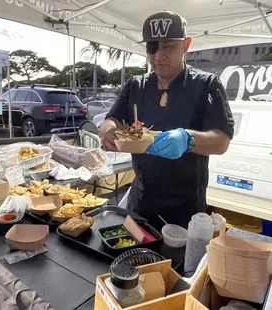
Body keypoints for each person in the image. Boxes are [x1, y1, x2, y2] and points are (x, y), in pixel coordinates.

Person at [99, 11, 235, 231]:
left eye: (168, 46)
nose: (158, 55)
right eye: (152, 47)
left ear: (186, 45)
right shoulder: (137, 86)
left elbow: (222, 141)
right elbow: (111, 119)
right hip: (140, 203)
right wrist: (108, 131)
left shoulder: (206, 85)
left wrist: (187, 139)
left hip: (185, 209)